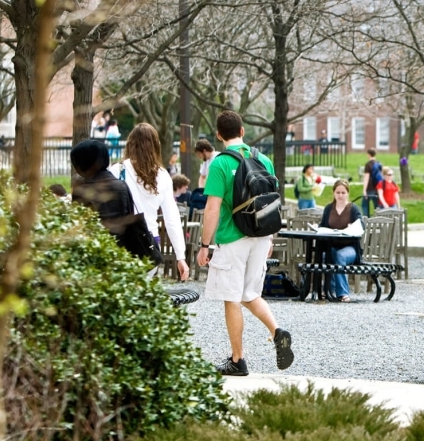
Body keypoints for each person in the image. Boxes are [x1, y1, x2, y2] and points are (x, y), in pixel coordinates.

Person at [197, 110, 293, 376]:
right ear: (242, 132)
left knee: (232, 298)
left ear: (218, 136)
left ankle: (238, 360)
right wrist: (270, 236)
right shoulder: (262, 159)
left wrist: (204, 245)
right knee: (250, 294)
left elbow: (213, 209)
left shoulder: (219, 164)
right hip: (262, 235)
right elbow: (271, 200)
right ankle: (277, 332)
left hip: (233, 237)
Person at [109, 123, 189, 281]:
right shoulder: (162, 175)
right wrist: (180, 256)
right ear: (155, 146)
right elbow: (172, 219)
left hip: (121, 243)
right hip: (150, 243)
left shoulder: (117, 171)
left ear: (130, 144)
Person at [320, 180, 364, 302]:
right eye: (338, 192)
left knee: (339, 256)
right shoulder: (329, 208)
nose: (340, 195)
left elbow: (361, 225)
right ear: (333, 193)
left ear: (347, 193)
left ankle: (342, 293)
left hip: (350, 248)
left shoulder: (353, 209)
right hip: (332, 246)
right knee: (324, 256)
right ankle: (327, 290)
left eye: (343, 192)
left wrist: (352, 227)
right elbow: (322, 226)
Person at [362, 148, 382, 216]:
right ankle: (377, 220)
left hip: (369, 188)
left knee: (365, 205)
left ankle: (366, 220)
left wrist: (364, 190)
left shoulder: (368, 165)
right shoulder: (379, 163)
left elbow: (366, 178)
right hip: (377, 188)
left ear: (369, 154)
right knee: (376, 206)